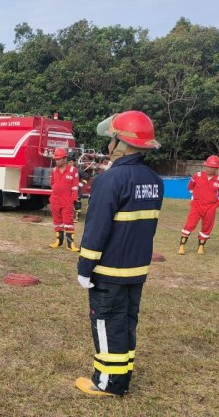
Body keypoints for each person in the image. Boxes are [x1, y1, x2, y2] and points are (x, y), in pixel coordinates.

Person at [75, 110, 163, 397]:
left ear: (121, 143)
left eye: (112, 140)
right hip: (136, 270)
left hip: (109, 271)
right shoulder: (153, 180)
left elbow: (96, 230)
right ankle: (122, 377)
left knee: (105, 322)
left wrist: (85, 267)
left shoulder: (110, 180)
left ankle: (106, 383)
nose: (108, 146)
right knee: (125, 323)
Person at [178, 155, 219, 255]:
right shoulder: (197, 176)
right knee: (190, 224)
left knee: (207, 227)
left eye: (213, 167)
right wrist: (195, 196)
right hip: (196, 205)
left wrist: (217, 205)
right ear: (205, 166)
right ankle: (181, 247)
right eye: (208, 166)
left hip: (210, 207)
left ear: (217, 168)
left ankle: (201, 248)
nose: (210, 169)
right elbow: (190, 187)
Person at [48, 147, 80, 252]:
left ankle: (70, 244)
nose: (56, 161)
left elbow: (75, 187)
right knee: (57, 222)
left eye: (59, 159)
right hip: (55, 199)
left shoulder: (73, 170)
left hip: (67, 200)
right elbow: (52, 184)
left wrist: (73, 200)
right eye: (55, 159)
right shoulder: (53, 170)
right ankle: (58, 241)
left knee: (68, 222)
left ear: (65, 159)